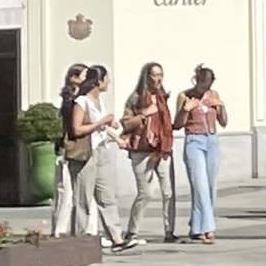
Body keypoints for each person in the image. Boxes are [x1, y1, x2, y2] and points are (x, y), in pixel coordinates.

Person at [73, 64, 141, 250]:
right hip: (87, 153)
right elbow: (77, 128)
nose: (109, 82)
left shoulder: (99, 102)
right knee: (84, 197)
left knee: (107, 196)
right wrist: (101, 122)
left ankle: (116, 238)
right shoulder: (82, 102)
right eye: (106, 78)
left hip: (102, 150)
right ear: (98, 81)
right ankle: (79, 240)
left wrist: (116, 136)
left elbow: (102, 127)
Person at [121, 62, 176, 241]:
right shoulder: (136, 98)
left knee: (168, 192)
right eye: (154, 75)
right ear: (147, 77)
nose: (158, 79)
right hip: (142, 150)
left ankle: (169, 231)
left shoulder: (162, 97)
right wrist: (145, 113)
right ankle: (132, 230)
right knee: (146, 192)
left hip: (162, 149)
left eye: (161, 74)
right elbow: (127, 123)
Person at [175, 65, 228, 241]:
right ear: (196, 81)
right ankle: (209, 228)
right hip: (194, 140)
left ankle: (197, 226)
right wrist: (186, 109)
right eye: (201, 85)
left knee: (210, 185)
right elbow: (178, 124)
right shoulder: (185, 95)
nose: (204, 89)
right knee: (200, 185)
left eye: (207, 85)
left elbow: (224, 122)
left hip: (212, 141)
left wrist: (221, 105)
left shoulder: (214, 96)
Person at [50, 64, 90, 236]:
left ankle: (80, 229)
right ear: (74, 78)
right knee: (65, 190)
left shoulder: (80, 99)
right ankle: (59, 229)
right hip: (68, 148)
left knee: (81, 191)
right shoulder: (71, 100)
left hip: (78, 147)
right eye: (84, 76)